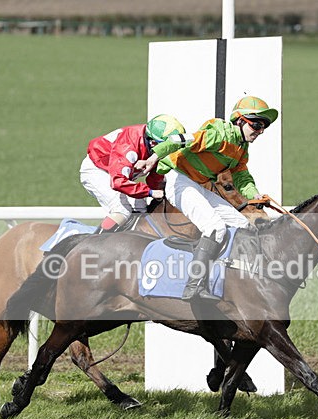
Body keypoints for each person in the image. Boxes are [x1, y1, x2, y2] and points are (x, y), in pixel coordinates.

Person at [139, 96, 278, 301]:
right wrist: (153, 157)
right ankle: (193, 286)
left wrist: (254, 195)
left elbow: (241, 176)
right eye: (256, 125)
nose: (260, 131)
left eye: (264, 126)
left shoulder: (241, 148)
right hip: (180, 180)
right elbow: (180, 140)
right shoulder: (219, 133)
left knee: (242, 225)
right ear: (240, 121)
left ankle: (230, 278)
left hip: (199, 185)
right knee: (214, 228)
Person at [80, 114, 186, 233]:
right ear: (153, 143)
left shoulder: (151, 142)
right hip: (97, 171)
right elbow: (118, 182)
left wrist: (159, 189)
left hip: (117, 173)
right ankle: (97, 241)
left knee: (141, 208)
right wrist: (150, 192)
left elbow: (154, 177)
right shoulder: (128, 147)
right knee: (122, 211)